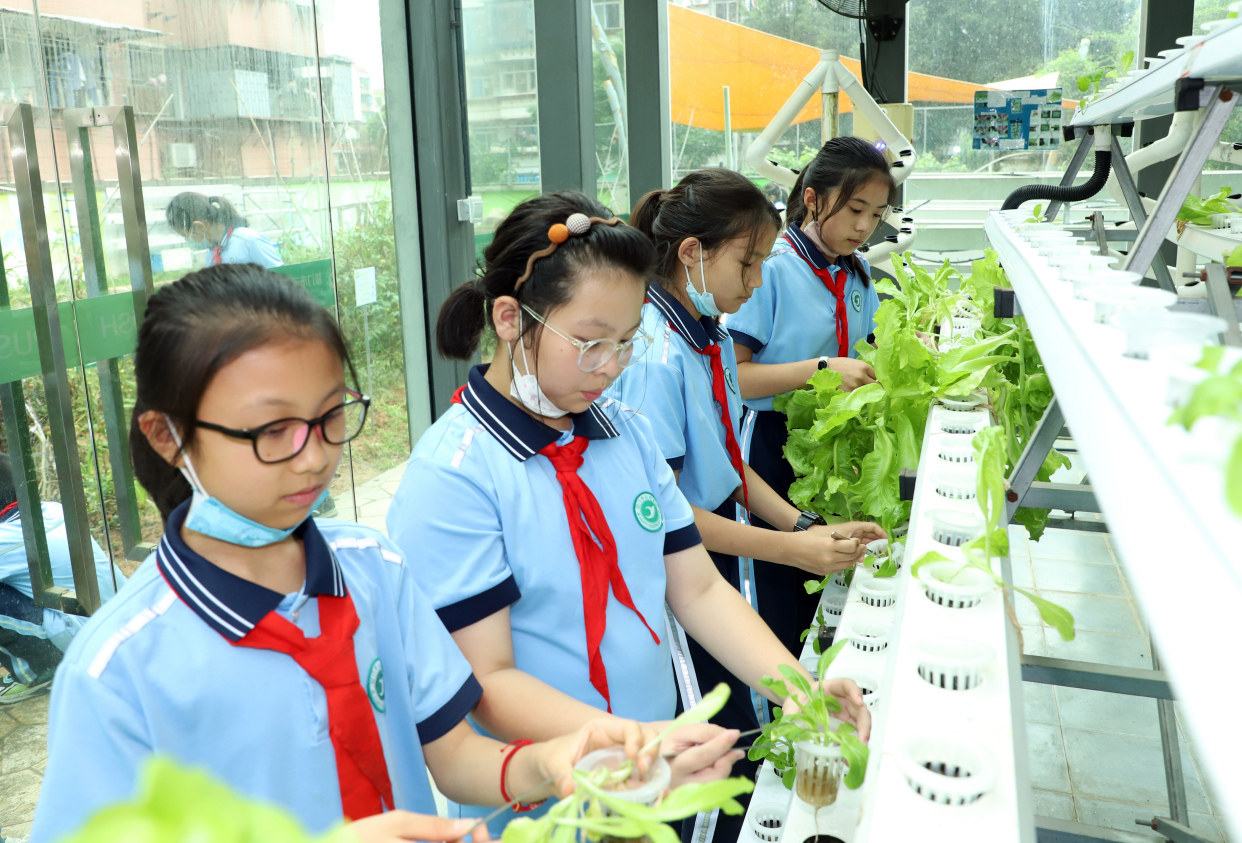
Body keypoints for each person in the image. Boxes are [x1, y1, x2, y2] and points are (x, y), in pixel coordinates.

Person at [32, 265, 680, 843]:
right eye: (271, 431)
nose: (315, 455)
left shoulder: (373, 569)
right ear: (167, 434)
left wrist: (549, 763)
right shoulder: (120, 669)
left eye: (331, 415)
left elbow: (452, 752)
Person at [387, 191, 871, 840]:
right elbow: (487, 679)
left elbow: (696, 588)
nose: (610, 368)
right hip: (545, 796)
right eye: (588, 343)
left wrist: (801, 688)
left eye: (625, 342)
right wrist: (639, 741)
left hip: (649, 783)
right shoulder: (455, 475)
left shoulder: (624, 435)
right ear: (510, 318)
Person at [609, 170, 884, 751]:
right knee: (712, 732)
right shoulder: (656, 357)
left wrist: (806, 528)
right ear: (692, 253)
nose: (758, 283)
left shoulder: (705, 335)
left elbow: (727, 465)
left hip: (703, 557)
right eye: (748, 264)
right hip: (672, 579)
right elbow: (669, 513)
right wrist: (791, 548)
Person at [726, 137, 897, 659]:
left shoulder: (855, 273)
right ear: (814, 199)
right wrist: (820, 370)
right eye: (854, 209)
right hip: (768, 447)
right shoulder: (772, 270)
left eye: (877, 214)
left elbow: (863, 355)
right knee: (771, 594)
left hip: (825, 449)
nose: (865, 226)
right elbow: (735, 376)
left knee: (816, 582)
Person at [0, 454, 125, 703]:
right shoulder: (52, 510)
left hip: (84, 637)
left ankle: (38, 670)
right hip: (120, 617)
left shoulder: (7, 537)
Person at [165, 192, 283, 269]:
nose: (188, 241)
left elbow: (283, 280)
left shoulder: (248, 241)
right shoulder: (211, 254)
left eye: (186, 236)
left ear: (199, 227)